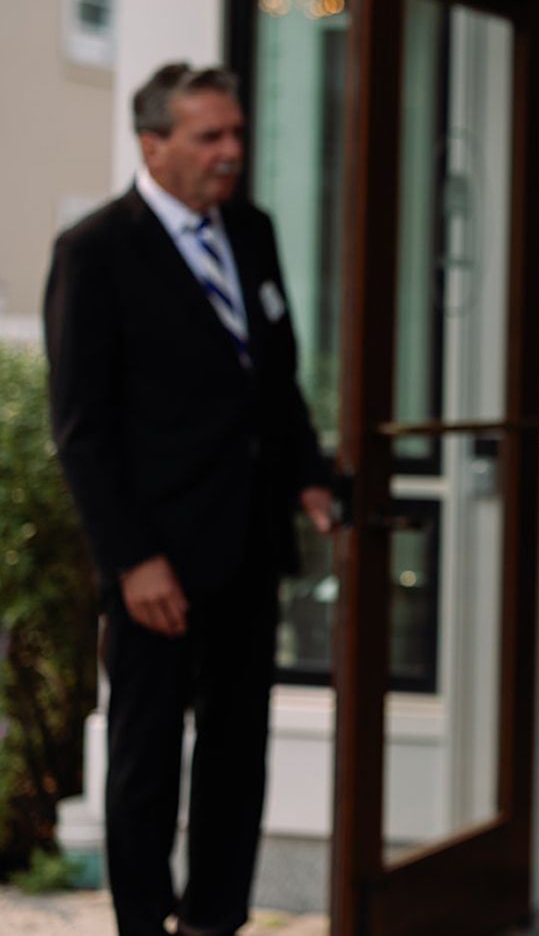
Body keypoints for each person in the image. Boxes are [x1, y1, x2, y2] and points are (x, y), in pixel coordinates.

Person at [43, 63, 334, 936]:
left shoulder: (251, 230)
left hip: (247, 546)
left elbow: (273, 382)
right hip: (154, 564)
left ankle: (214, 921)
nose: (231, 153)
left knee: (238, 754)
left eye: (237, 134)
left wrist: (309, 476)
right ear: (153, 143)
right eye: (210, 137)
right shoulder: (94, 251)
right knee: (146, 760)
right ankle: (142, 924)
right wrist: (131, 560)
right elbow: (81, 429)